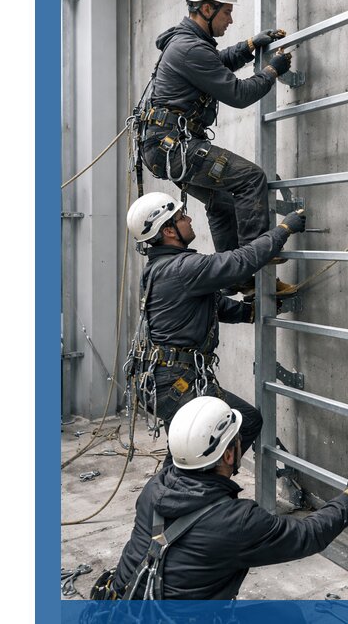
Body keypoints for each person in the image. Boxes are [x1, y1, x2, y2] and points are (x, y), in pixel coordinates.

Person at [109, 396, 348, 600]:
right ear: (229, 455)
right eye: (239, 441)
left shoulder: (154, 487)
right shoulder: (236, 520)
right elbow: (309, 534)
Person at [125, 191, 306, 465]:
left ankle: (171, 500)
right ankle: (203, 496)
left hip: (162, 379)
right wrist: (283, 229)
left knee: (188, 448)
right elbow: (238, 262)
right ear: (169, 231)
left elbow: (213, 306)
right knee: (242, 424)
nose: (188, 219)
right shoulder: (183, 268)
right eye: (181, 217)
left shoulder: (159, 267)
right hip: (175, 382)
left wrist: (251, 311)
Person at [139, 0, 293, 287]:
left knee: (220, 202)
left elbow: (216, 64)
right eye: (226, 12)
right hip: (175, 147)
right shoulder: (190, 48)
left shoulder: (190, 44)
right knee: (250, 178)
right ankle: (257, 255)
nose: (230, 20)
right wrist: (271, 72)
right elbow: (238, 94)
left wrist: (249, 45)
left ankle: (240, 281)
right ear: (207, 9)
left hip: (164, 148)